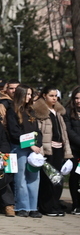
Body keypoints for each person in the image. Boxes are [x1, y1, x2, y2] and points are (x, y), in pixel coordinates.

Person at [5, 85, 43, 218]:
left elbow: (37, 131)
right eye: (26, 94)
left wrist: (38, 144)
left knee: (34, 178)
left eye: (30, 94)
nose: (29, 97)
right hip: (19, 148)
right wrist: (30, 144)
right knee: (20, 178)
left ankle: (33, 207)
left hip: (33, 150)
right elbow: (15, 132)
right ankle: (22, 206)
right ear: (20, 95)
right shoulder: (12, 111)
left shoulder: (31, 111)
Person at [34, 87, 73, 216]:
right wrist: (40, 149)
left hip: (59, 149)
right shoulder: (40, 112)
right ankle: (46, 206)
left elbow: (64, 133)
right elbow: (39, 132)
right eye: (51, 95)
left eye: (56, 95)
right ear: (44, 96)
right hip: (47, 150)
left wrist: (67, 152)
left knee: (58, 179)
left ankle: (55, 204)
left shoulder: (58, 112)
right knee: (47, 179)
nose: (54, 98)